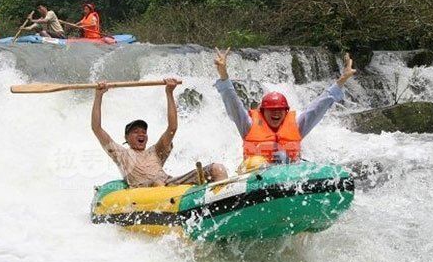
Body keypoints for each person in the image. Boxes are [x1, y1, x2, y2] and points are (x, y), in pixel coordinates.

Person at [213, 48, 356, 171]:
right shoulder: (248, 125)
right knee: (260, 161)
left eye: (281, 109)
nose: (277, 112)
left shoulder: (297, 126)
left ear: (285, 112)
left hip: (288, 176)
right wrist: (224, 76)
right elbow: (234, 104)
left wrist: (341, 80)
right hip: (255, 178)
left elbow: (318, 107)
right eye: (271, 110)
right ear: (262, 112)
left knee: (283, 157)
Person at [91, 79, 228, 188]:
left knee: (218, 169)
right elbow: (96, 128)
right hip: (146, 194)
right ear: (126, 138)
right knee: (157, 184)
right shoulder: (121, 154)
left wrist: (169, 93)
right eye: (136, 132)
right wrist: (99, 96)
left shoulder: (156, 151)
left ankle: (224, 202)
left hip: (169, 184)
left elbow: (172, 127)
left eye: (144, 132)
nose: (141, 134)